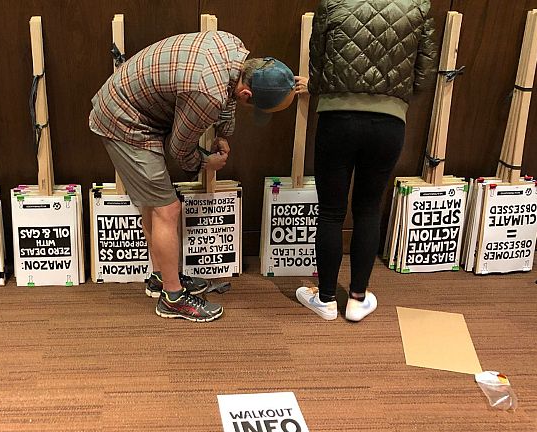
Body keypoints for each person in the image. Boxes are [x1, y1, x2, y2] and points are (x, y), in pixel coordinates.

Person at [91, 31, 306, 322]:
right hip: (124, 121)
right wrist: (207, 162)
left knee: (154, 203)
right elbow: (179, 149)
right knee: (168, 208)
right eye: (253, 106)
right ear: (248, 94)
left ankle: (160, 277)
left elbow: (228, 99)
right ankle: (173, 298)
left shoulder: (234, 47)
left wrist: (222, 133)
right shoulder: (207, 93)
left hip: (135, 106)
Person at [296, 0, 437, 321]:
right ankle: (358, 299)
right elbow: (424, 73)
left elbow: (316, 55)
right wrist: (393, 96)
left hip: (336, 118)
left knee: (331, 212)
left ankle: (327, 300)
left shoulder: (332, 4)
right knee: (368, 208)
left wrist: (319, 87)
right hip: (389, 122)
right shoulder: (418, 7)